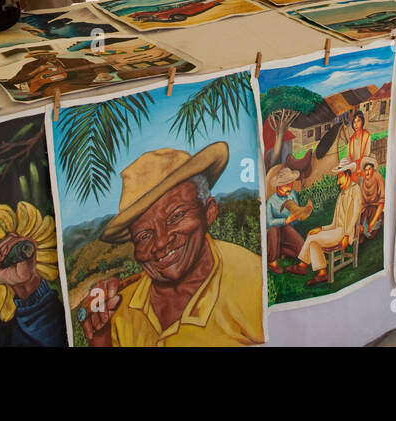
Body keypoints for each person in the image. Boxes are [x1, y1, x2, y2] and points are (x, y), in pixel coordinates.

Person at [78, 144, 264, 346]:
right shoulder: (119, 310)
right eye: (143, 235)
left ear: (209, 212)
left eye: (176, 216)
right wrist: (100, 338)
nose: (160, 242)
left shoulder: (253, 281)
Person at [291, 161, 363, 286]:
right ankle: (322, 273)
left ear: (348, 175)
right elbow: (335, 222)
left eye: (340, 177)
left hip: (344, 232)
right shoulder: (341, 194)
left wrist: (346, 235)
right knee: (312, 235)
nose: (338, 181)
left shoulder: (355, 190)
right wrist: (321, 228)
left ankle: (303, 266)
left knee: (312, 239)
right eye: (338, 177)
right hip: (336, 230)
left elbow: (355, 213)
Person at [264, 164, 308, 274]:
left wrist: (300, 215)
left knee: (301, 248)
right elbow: (268, 222)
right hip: (273, 231)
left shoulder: (292, 195)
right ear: (279, 186)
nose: (290, 187)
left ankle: (281, 250)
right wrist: (285, 221)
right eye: (287, 185)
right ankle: (272, 262)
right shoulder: (271, 202)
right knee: (273, 230)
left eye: (290, 184)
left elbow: (296, 213)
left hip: (287, 228)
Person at [358, 156, 385, 237]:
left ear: (373, 169)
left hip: (376, 211)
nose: (367, 172)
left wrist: (373, 222)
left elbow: (382, 201)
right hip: (366, 211)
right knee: (359, 231)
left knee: (369, 233)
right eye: (366, 170)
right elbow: (361, 202)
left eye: (369, 169)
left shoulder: (378, 177)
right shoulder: (363, 180)